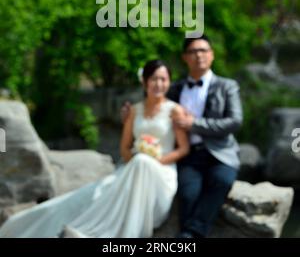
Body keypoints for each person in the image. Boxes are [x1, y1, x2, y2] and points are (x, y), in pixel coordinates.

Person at [0, 60, 189, 238]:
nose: (159, 84)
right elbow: (124, 147)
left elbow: (183, 148)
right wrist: (136, 162)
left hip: (162, 171)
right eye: (154, 79)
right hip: (133, 166)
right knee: (88, 195)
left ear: (169, 82)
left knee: (142, 162)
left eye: (163, 79)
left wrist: (154, 161)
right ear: (145, 82)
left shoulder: (175, 110)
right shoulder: (134, 110)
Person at [122, 35, 243, 239]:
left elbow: (235, 121)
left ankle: (190, 235)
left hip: (220, 153)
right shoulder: (175, 88)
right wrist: (127, 115)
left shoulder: (227, 86)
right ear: (184, 57)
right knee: (187, 194)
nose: (199, 55)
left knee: (221, 180)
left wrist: (194, 124)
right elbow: (152, 110)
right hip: (189, 156)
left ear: (212, 55)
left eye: (203, 50)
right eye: (193, 51)